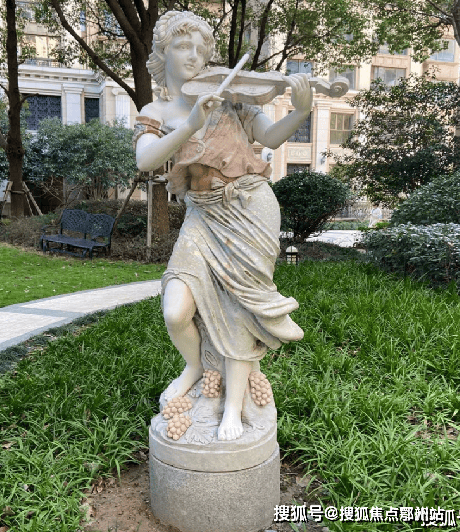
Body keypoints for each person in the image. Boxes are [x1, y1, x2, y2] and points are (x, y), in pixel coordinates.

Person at [134, 11, 309, 441]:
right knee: (176, 310)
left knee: (238, 309)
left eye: (201, 49)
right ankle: (195, 366)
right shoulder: (157, 111)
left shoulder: (232, 101)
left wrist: (301, 111)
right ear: (162, 54)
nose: (194, 56)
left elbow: (270, 138)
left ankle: (233, 407)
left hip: (250, 206)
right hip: (203, 213)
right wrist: (190, 124)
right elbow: (146, 160)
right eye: (183, 46)